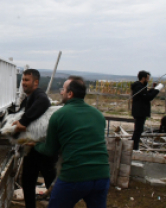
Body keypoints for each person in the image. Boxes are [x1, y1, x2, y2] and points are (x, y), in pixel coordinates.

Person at [34, 76, 110, 208]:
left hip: (74, 175)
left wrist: (35, 144)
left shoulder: (59, 115)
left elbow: (50, 150)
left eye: (63, 89)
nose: (61, 92)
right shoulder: (98, 115)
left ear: (70, 94)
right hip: (101, 175)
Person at [12, 69, 58, 208]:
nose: (24, 83)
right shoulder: (28, 99)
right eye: (23, 80)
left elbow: (44, 102)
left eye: (27, 80)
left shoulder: (39, 95)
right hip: (31, 149)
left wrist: (24, 121)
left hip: (44, 150)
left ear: (36, 82)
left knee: (51, 182)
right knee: (27, 182)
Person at [131, 71, 163, 151]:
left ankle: (133, 147)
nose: (148, 80)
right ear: (143, 78)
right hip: (140, 112)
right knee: (138, 130)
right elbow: (147, 97)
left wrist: (153, 89)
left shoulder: (140, 86)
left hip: (140, 112)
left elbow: (146, 94)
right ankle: (134, 148)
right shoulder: (138, 87)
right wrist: (157, 90)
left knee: (138, 130)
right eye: (147, 78)